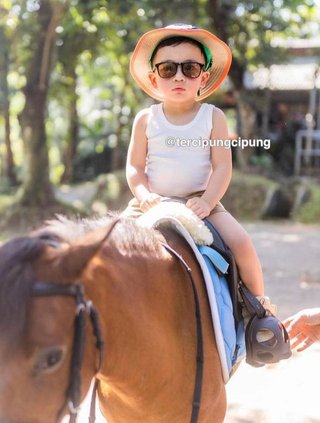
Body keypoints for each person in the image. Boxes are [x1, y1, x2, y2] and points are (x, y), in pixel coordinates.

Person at [122, 23, 274, 313]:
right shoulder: (145, 119)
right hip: (150, 202)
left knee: (241, 243)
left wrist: (207, 201)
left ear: (202, 77)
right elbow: (134, 167)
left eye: (189, 69)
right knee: (110, 240)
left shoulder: (213, 116)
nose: (179, 76)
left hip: (201, 200)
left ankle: (259, 312)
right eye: (168, 69)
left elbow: (221, 168)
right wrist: (143, 196)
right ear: (154, 78)